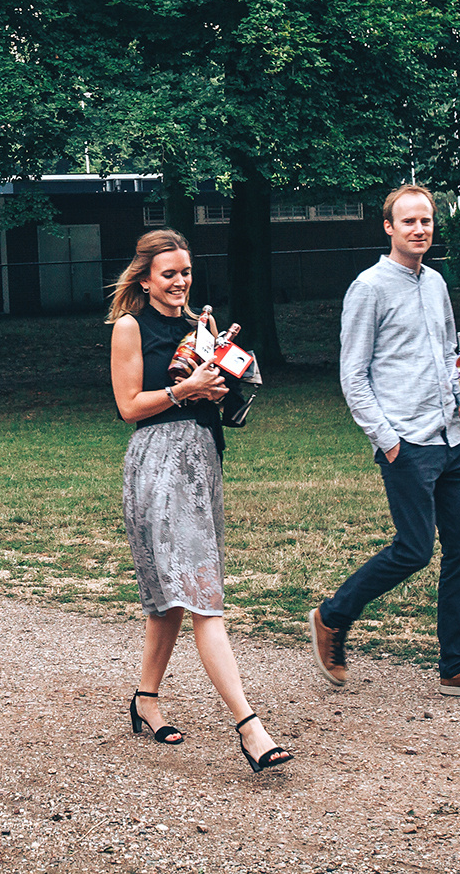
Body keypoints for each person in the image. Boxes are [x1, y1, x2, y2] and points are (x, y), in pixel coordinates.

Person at [306, 184, 460, 701]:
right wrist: (389, 440)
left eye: (426, 221)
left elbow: (452, 356)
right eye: (408, 222)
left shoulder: (437, 284)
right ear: (389, 227)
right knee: (413, 549)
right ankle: (332, 617)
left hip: (454, 436)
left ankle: (457, 668)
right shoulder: (368, 288)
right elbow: (352, 375)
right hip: (408, 441)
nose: (419, 229)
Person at [111, 229, 290, 772]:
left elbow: (229, 404)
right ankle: (249, 727)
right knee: (201, 596)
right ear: (145, 278)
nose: (180, 281)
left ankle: (145, 700)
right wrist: (183, 391)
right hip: (159, 462)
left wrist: (221, 386)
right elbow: (128, 406)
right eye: (168, 273)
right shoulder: (129, 327)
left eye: (185, 271)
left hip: (204, 458)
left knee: (169, 597)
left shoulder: (202, 329)